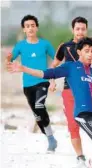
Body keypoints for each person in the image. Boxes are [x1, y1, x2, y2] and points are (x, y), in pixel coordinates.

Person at [7, 37, 92, 168]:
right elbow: (46, 73)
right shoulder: (70, 67)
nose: (90, 54)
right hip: (82, 113)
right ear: (79, 52)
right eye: (87, 51)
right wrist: (23, 68)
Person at [49, 17, 92, 165]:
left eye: (83, 29)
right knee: (73, 126)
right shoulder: (64, 47)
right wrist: (52, 82)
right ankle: (80, 158)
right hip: (69, 92)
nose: (80, 32)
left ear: (86, 29)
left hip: (88, 90)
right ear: (73, 30)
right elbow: (54, 66)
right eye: (77, 29)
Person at [5, 15, 57, 153]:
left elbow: (56, 60)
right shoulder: (20, 45)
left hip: (42, 81)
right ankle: (50, 137)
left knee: (40, 105)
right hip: (27, 85)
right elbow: (10, 63)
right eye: (27, 26)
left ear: (36, 27)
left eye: (33, 25)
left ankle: (51, 141)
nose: (30, 28)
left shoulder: (45, 44)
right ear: (24, 29)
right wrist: (8, 59)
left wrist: (52, 79)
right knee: (37, 115)